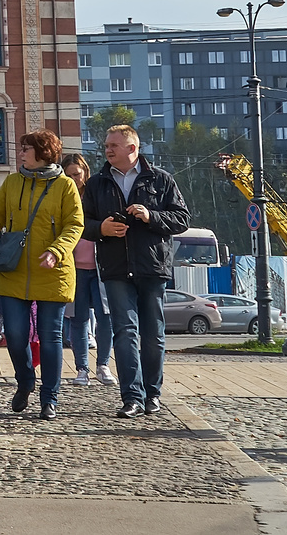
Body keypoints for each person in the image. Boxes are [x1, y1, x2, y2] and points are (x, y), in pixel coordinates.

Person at [80, 122, 189, 419]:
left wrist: (149, 215)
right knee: (125, 332)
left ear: (132, 148)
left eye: (113, 145)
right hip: (115, 268)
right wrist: (101, 228)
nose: (107, 150)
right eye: (106, 145)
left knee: (153, 334)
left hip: (152, 268)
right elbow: (82, 223)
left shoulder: (161, 179)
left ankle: (153, 394)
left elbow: (181, 219)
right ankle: (132, 397)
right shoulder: (97, 183)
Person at [0, 128, 82, 420]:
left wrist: (56, 250)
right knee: (15, 335)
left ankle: (49, 398)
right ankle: (25, 381)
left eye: (26, 148)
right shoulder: (12, 182)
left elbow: (74, 224)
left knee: (51, 337)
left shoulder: (65, 186)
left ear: (43, 153)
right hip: (13, 271)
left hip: (53, 272)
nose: (21, 153)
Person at [60, 152, 114, 384]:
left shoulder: (96, 194)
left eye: (77, 174)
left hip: (101, 265)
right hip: (74, 266)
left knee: (105, 317)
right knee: (78, 318)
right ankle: (82, 368)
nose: (74, 179)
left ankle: (103, 365)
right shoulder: (61, 196)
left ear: (85, 172)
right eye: (69, 175)